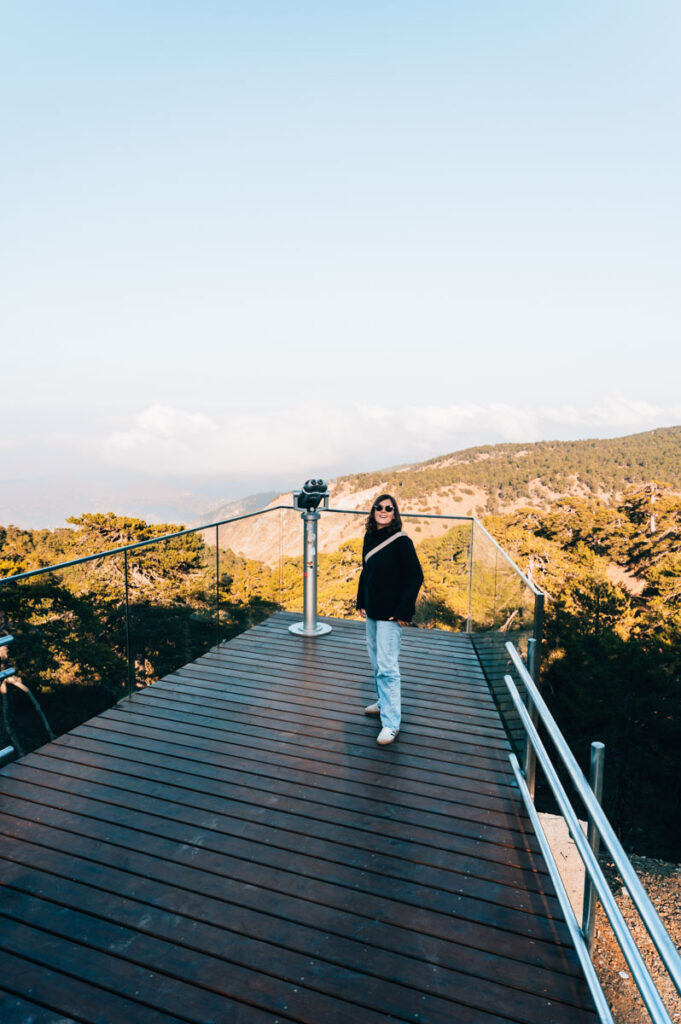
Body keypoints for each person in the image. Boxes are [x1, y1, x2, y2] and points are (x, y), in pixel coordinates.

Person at [356, 493, 424, 745]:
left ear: (395, 514)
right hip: (373, 610)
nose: (383, 511)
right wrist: (361, 601)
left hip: (390, 613)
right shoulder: (370, 536)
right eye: (379, 507)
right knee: (376, 661)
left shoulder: (402, 541)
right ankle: (383, 702)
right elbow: (367, 571)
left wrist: (404, 610)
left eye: (388, 508)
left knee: (387, 667)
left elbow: (416, 576)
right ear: (373, 511)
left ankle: (392, 723)